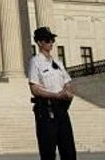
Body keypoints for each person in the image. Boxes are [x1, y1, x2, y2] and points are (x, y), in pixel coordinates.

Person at [28, 26, 76, 160]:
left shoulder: (58, 63)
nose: (51, 42)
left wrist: (68, 92)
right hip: (46, 110)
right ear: (39, 42)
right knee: (48, 152)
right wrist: (55, 95)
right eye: (47, 40)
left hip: (61, 109)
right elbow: (34, 89)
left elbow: (67, 82)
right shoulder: (35, 62)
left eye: (52, 39)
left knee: (69, 151)